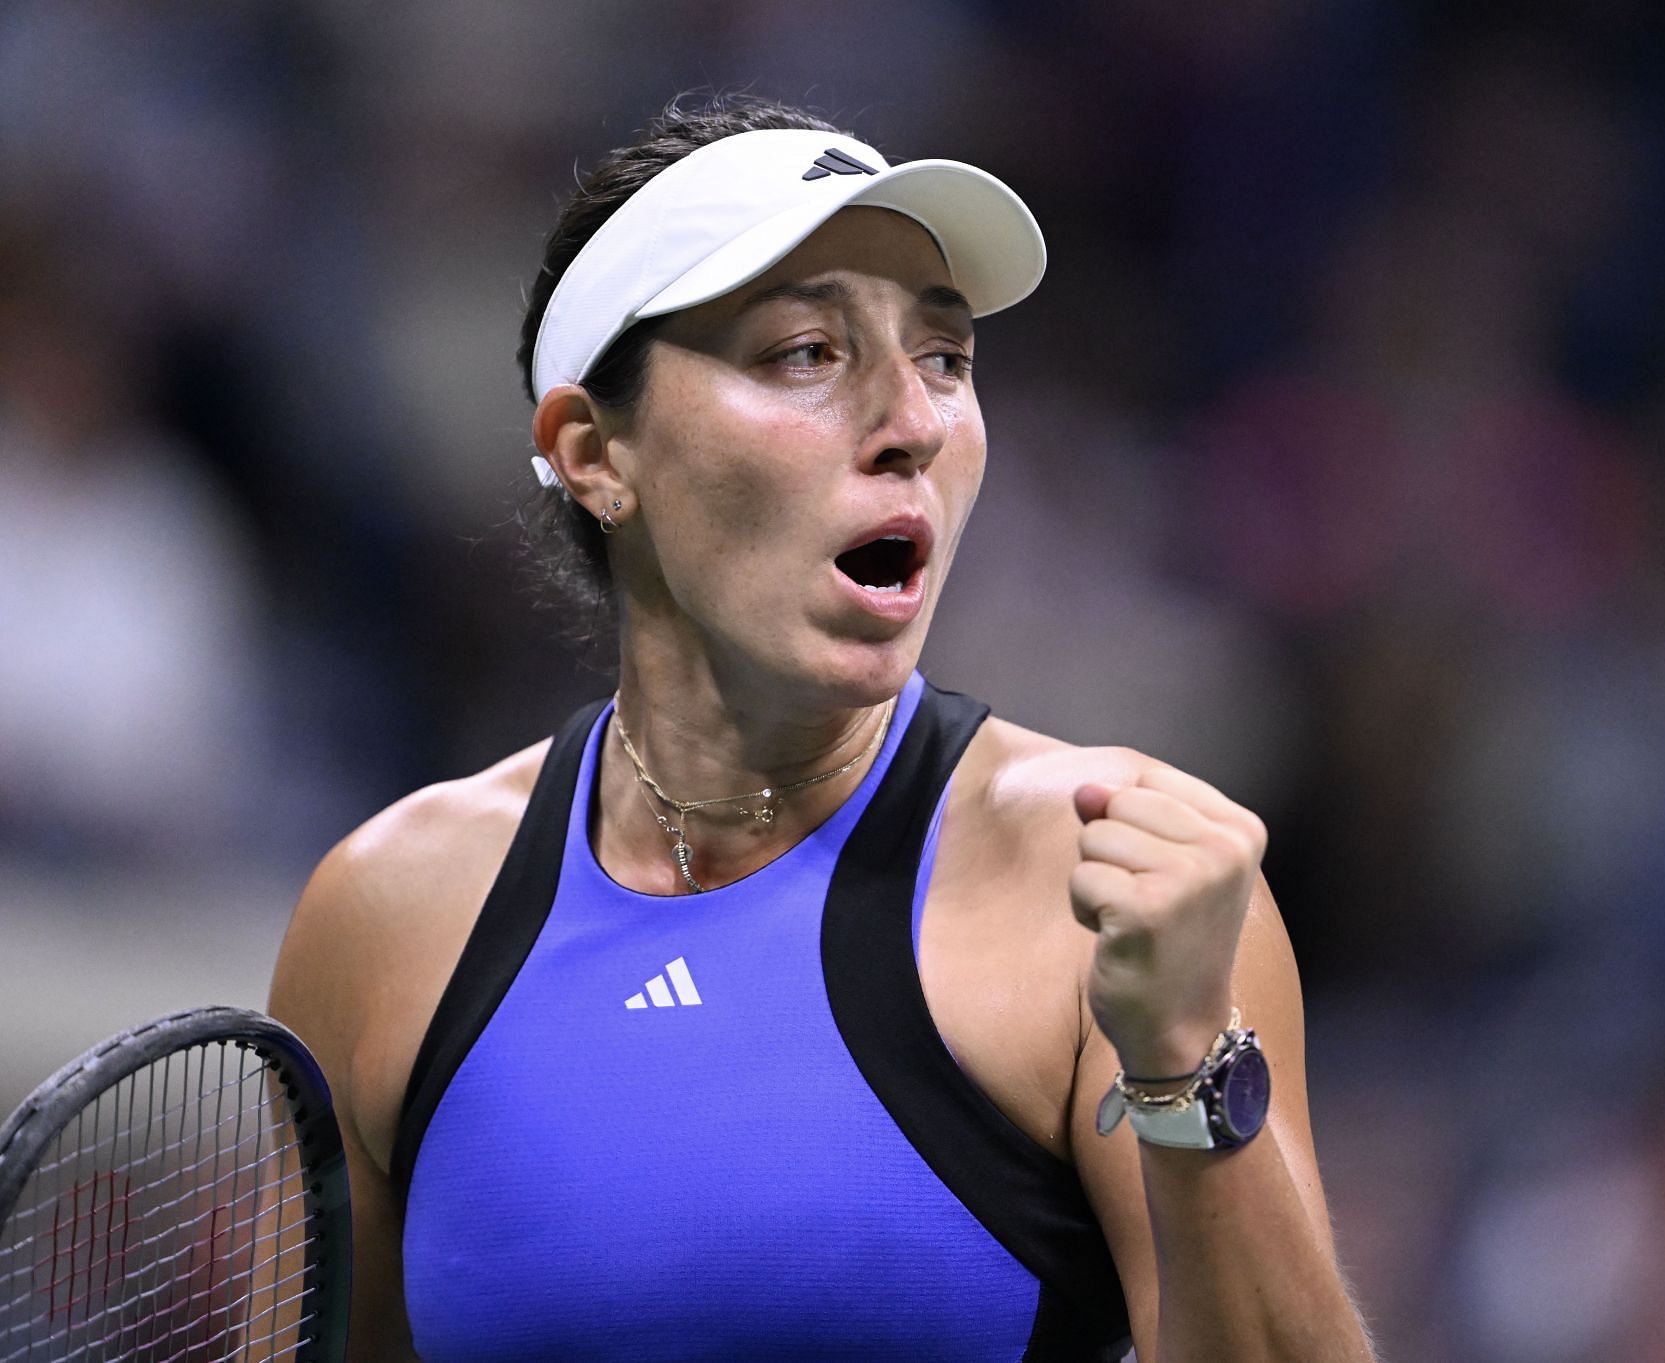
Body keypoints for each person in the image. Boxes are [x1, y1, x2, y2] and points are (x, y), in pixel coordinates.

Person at [269, 94, 1375, 1363]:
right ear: (593, 452)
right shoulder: (385, 916)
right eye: (806, 352)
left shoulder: (1117, 888)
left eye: (945, 359)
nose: (913, 423)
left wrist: (1184, 1064)